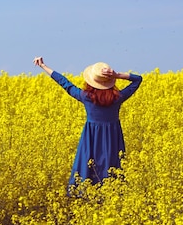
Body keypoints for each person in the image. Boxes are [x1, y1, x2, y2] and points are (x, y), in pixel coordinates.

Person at [33, 56, 142, 193]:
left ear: (91, 82)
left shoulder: (86, 97)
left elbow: (65, 84)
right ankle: (113, 194)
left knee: (87, 165)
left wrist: (43, 66)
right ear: (110, 81)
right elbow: (138, 80)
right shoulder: (117, 98)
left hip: (91, 137)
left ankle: (84, 195)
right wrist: (117, 75)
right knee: (112, 165)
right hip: (112, 138)